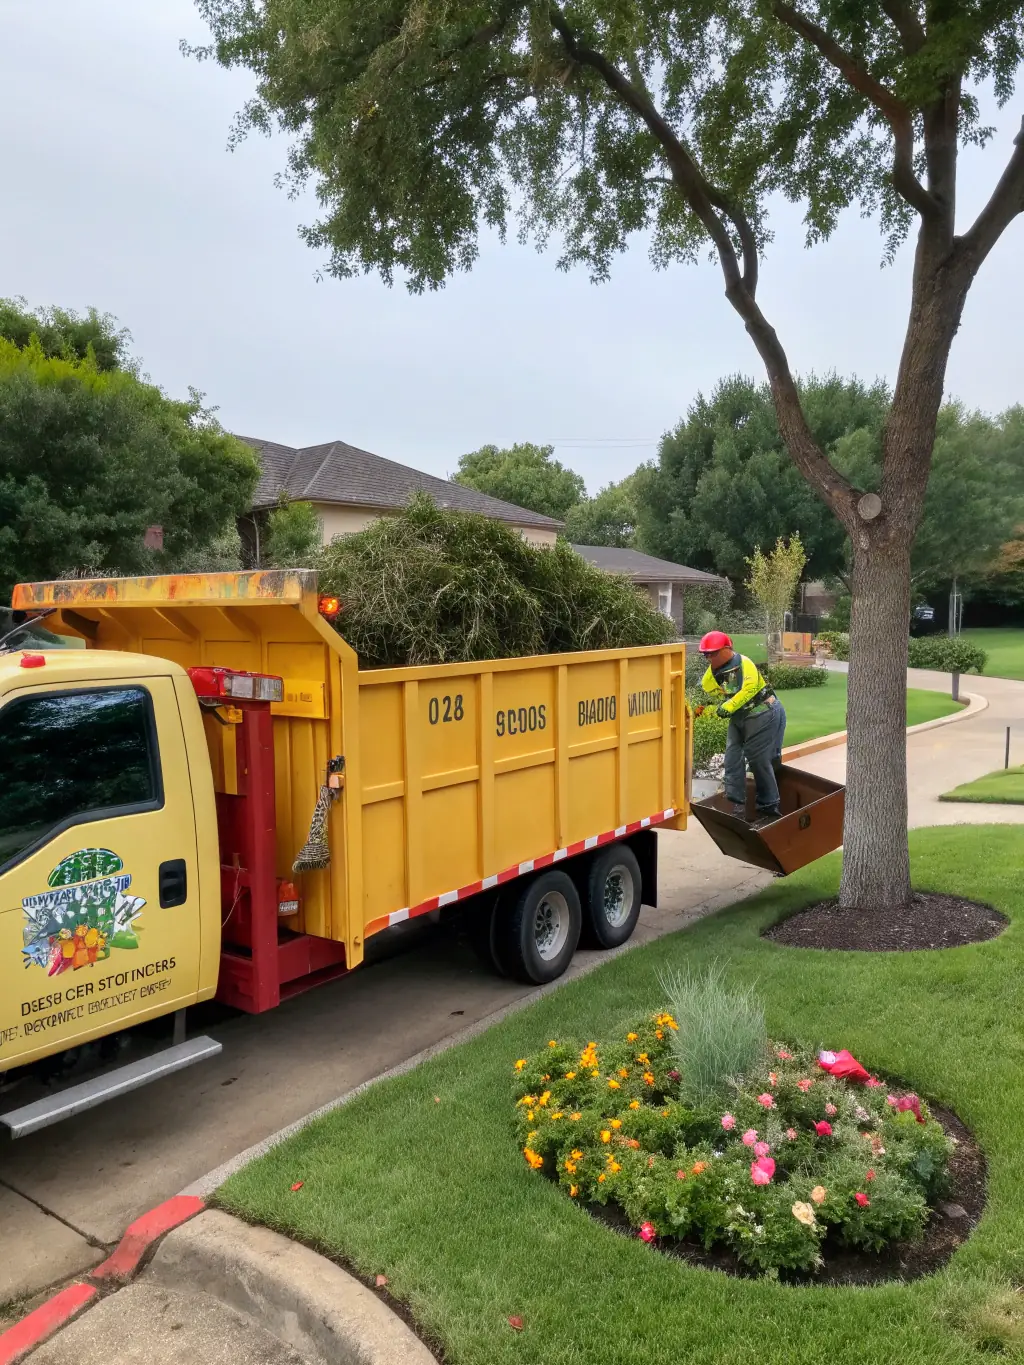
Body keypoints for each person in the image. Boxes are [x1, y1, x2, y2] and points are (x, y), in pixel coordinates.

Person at [698, 630, 786, 824]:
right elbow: (710, 694)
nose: (709, 658)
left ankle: (769, 809)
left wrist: (727, 706)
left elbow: (750, 688)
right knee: (732, 758)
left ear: (727, 649)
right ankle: (737, 805)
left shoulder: (744, 663)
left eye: (712, 653)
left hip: (763, 712)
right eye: (706, 654)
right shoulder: (711, 674)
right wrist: (707, 708)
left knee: (758, 759)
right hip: (739, 716)